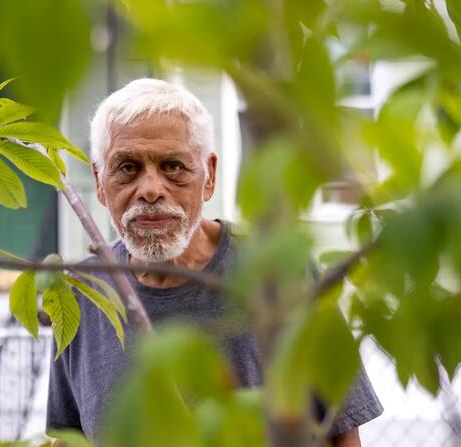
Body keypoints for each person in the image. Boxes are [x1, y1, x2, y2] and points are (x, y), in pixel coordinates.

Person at [45, 78, 383, 446]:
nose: (151, 189)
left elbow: (342, 434)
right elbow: (68, 438)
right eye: (127, 167)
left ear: (209, 177)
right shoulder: (81, 292)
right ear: (98, 180)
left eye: (173, 166)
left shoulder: (280, 271)